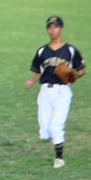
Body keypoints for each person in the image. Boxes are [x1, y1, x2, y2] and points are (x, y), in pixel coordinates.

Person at [25, 15, 86, 168]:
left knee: (56, 126)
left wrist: (74, 74)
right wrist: (31, 81)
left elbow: (81, 70)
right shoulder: (42, 51)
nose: (52, 30)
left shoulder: (70, 50)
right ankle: (54, 138)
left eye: (56, 27)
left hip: (62, 92)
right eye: (50, 27)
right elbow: (38, 71)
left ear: (61, 29)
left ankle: (59, 158)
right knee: (45, 131)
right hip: (45, 92)